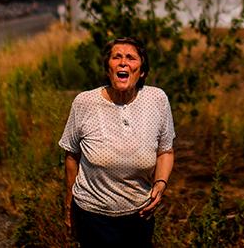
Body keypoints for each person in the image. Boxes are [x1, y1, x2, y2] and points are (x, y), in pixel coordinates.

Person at [59, 37, 175, 248]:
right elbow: (71, 155)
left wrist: (160, 183)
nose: (123, 62)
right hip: (92, 216)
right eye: (116, 57)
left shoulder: (157, 99)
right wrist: (68, 207)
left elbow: (165, 151)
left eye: (130, 57)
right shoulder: (85, 102)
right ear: (108, 69)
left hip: (140, 215)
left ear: (142, 72)